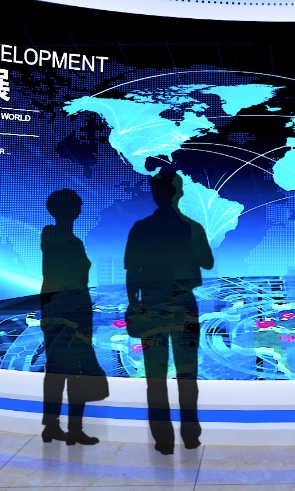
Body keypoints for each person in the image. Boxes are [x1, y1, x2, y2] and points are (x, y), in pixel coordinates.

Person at [124, 172, 213, 455]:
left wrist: (133, 305)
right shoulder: (193, 228)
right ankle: (190, 435)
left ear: (155, 194)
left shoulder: (141, 228)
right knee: (187, 374)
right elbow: (208, 263)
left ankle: (162, 440)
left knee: (155, 376)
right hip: (184, 307)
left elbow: (132, 274)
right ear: (180, 193)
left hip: (151, 308)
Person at [40, 189, 108, 445]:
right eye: (74, 206)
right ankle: (54, 427)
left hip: (75, 312)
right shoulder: (52, 234)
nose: (78, 210)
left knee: (73, 370)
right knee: (60, 370)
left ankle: (71, 429)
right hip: (63, 313)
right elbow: (62, 277)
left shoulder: (73, 240)